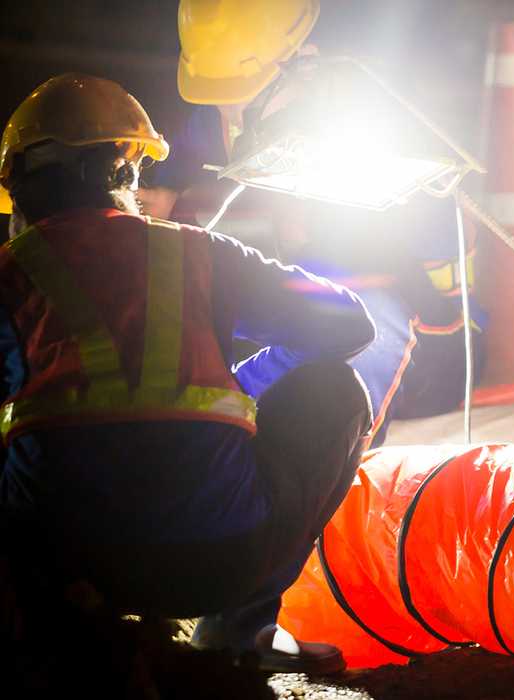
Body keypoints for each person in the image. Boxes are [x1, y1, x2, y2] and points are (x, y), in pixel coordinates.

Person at [0, 73, 376, 673]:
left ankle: (45, 638)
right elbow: (349, 327)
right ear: (125, 169)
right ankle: (235, 637)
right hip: (216, 563)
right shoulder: (195, 250)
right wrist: (235, 386)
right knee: (336, 391)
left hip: (63, 569)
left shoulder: (10, 273)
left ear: (17, 188)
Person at [146, 0, 482, 446]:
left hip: (428, 335)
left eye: (245, 98)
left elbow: (436, 252)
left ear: (305, 61)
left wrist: (401, 193)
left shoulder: (375, 129)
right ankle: (214, 433)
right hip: (314, 303)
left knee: (363, 327)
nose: (233, 121)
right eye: (219, 100)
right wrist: (164, 185)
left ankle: (330, 469)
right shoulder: (226, 116)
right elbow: (192, 144)